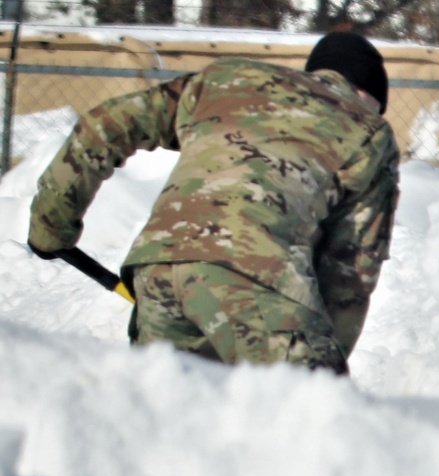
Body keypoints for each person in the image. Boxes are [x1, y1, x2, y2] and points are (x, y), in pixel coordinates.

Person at [28, 32, 399, 374]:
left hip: (157, 269)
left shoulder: (224, 79)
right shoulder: (368, 131)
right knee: (315, 418)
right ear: (367, 93)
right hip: (256, 276)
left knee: (165, 422)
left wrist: (50, 226)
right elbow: (352, 269)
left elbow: (104, 127)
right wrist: (323, 354)